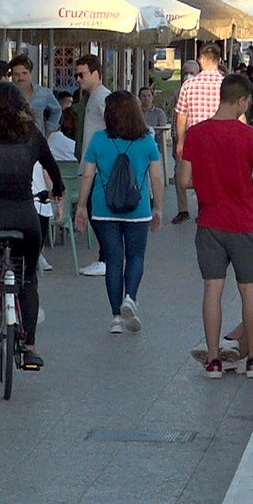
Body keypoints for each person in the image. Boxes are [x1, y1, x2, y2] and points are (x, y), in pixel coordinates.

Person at [176, 74, 253, 379]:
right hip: (244, 222)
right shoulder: (250, 137)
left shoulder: (196, 133)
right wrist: (247, 192)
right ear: (243, 100)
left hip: (210, 222)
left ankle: (214, 359)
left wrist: (208, 189)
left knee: (212, 291)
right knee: (249, 293)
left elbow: (184, 181)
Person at [0, 82, 64, 369]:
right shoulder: (32, 133)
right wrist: (56, 190)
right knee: (28, 279)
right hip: (26, 217)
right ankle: (30, 348)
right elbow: (53, 170)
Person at [75, 91, 164, 334]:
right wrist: (158, 208)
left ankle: (115, 318)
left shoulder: (98, 140)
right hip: (138, 209)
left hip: (104, 209)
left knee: (113, 260)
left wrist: (81, 206)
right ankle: (130, 298)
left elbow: (88, 175)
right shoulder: (147, 141)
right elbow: (156, 177)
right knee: (135, 256)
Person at [173, 44, 228, 224]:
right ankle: (212, 208)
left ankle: (202, 208)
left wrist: (180, 141)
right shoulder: (226, 85)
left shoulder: (188, 85)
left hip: (196, 140)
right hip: (221, 140)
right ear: (219, 61)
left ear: (201, 60)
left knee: (191, 176)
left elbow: (182, 116)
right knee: (217, 175)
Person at [74, 54, 112, 277]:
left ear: (95, 73)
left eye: (82, 74)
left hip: (98, 167)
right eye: (76, 75)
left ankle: (105, 257)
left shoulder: (102, 98)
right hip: (92, 164)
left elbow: (113, 127)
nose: (78, 79)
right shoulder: (92, 98)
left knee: (96, 212)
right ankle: (105, 256)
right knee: (93, 211)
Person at [10, 54, 62, 136]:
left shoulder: (43, 93)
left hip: (37, 141)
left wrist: (49, 130)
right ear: (12, 76)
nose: (20, 78)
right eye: (16, 74)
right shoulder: (8, 95)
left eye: (24, 73)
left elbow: (57, 110)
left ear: (31, 74)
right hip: (14, 141)